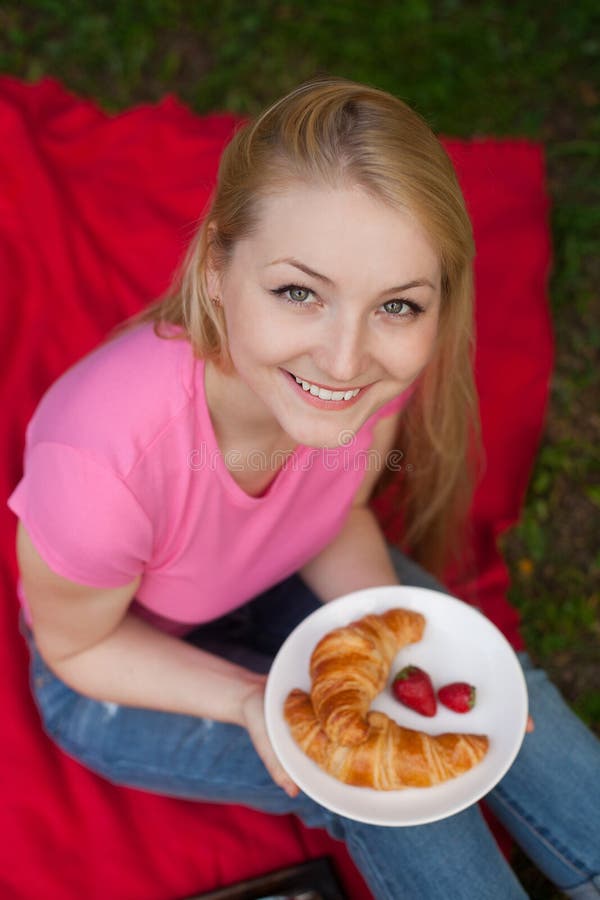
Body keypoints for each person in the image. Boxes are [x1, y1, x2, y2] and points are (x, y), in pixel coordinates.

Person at [7, 77, 600, 899]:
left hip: (278, 575)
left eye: (397, 304)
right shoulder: (101, 462)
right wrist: (260, 702)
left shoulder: (370, 378)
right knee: (395, 792)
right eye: (298, 292)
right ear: (217, 267)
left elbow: (333, 513)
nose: (347, 359)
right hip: (120, 656)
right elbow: (77, 649)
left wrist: (395, 642)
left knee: (500, 713)